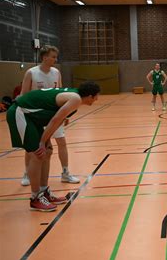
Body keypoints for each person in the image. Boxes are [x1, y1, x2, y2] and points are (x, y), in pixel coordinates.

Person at [6, 81, 100, 211]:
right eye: (96, 96)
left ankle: (44, 192)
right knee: (37, 154)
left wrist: (46, 141)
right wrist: (42, 142)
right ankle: (35, 198)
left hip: (33, 117)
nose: (97, 99)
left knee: (48, 151)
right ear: (90, 96)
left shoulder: (74, 98)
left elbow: (56, 121)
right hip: (20, 112)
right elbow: (55, 119)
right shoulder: (75, 99)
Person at [20, 45, 80, 186]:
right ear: (44, 57)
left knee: (61, 142)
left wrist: (64, 114)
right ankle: (27, 173)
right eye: (53, 56)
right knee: (32, 146)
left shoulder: (56, 72)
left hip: (54, 114)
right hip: (35, 115)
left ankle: (65, 173)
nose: (55, 59)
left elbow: (60, 93)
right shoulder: (31, 73)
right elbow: (24, 95)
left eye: (55, 56)